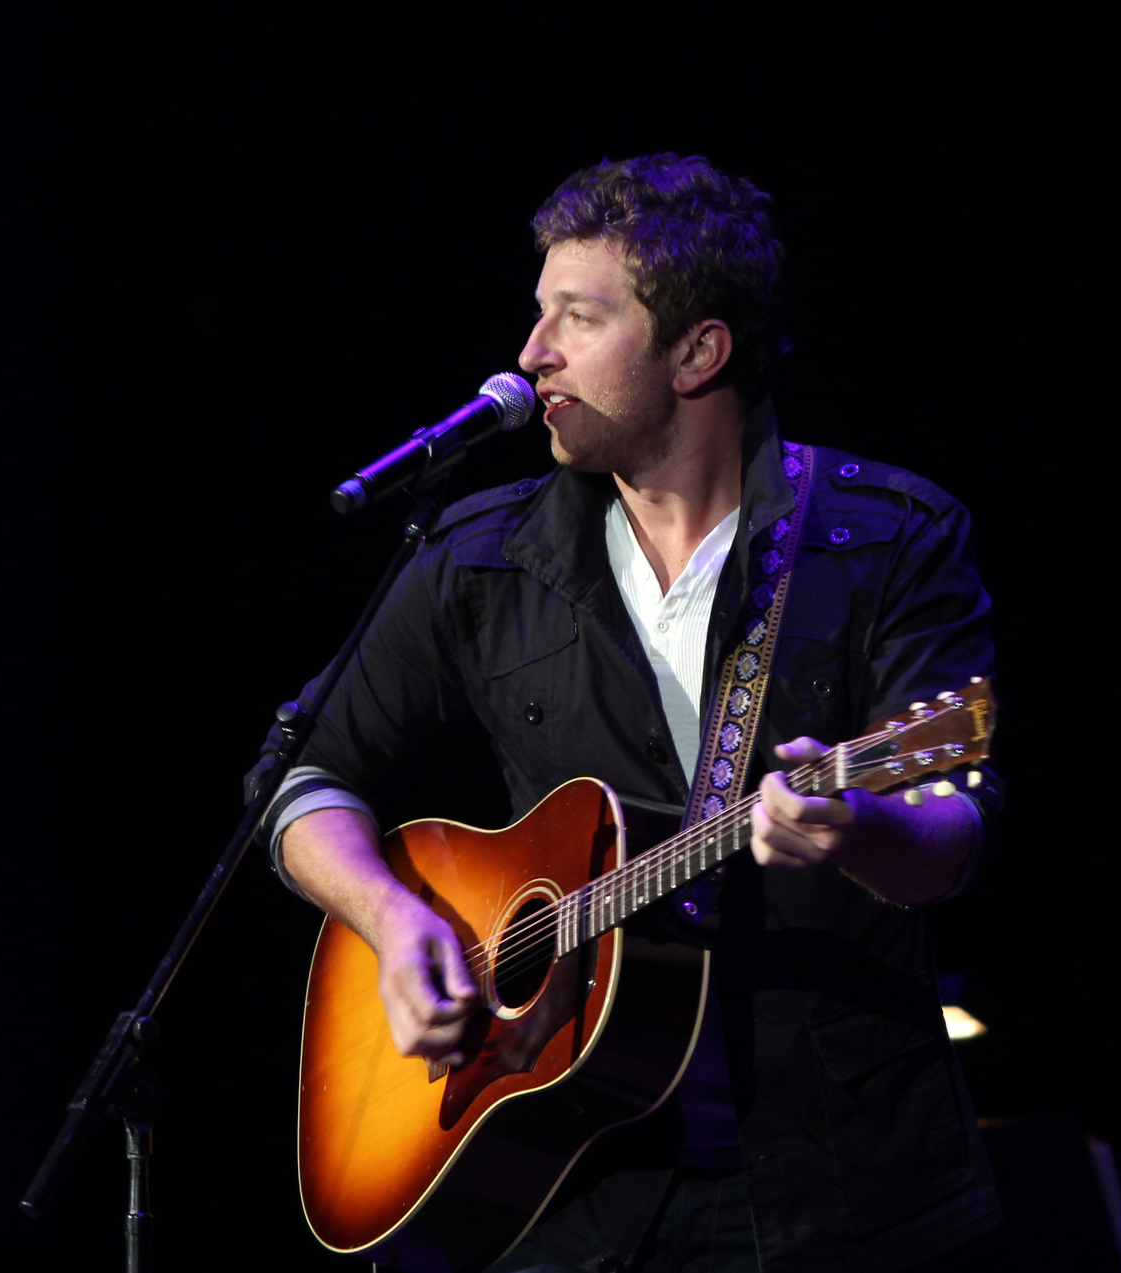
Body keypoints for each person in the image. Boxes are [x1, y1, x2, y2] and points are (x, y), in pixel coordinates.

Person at [262, 154, 1004, 1272]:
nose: (530, 356)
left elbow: (950, 839)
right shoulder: (481, 555)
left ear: (697, 351)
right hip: (564, 1195)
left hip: (837, 1189)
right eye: (536, 313)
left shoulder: (889, 537)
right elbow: (304, 777)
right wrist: (390, 916)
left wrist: (857, 827)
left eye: (578, 317)